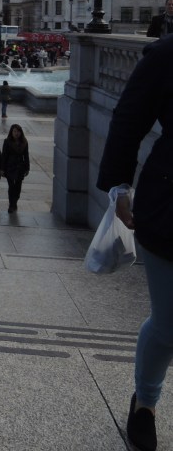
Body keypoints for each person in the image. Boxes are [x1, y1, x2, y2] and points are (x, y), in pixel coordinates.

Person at [97, 35, 173, 451]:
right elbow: (128, 119)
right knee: (168, 324)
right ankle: (146, 401)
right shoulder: (166, 54)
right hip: (169, 205)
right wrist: (118, 186)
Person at [1, 123, 30, 213]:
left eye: (18, 131)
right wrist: (2, 168)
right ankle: (11, 205)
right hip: (10, 167)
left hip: (20, 167)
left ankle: (15, 202)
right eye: (14, 131)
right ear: (11, 132)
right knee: (11, 187)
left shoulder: (24, 142)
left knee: (18, 187)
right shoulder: (7, 141)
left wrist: (27, 168)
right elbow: (4, 155)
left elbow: (26, 156)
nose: (16, 133)